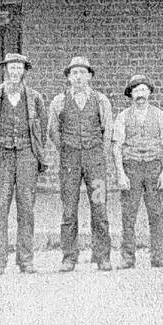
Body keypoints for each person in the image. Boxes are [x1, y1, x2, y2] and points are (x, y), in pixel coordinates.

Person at [0, 53, 50, 275]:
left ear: (24, 71)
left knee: (26, 209)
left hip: (26, 157)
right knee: (0, 208)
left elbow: (42, 125)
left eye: (19, 68)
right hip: (1, 156)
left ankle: (26, 260)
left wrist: (36, 152)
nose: (15, 72)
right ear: (6, 70)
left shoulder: (34, 98)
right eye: (11, 68)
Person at [47, 55, 114, 272]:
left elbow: (107, 131)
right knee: (68, 210)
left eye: (82, 73)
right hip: (70, 162)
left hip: (95, 163)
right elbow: (52, 131)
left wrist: (99, 156)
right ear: (68, 77)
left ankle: (102, 256)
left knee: (99, 207)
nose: (78, 77)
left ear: (90, 76)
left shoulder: (101, 100)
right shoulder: (59, 101)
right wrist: (66, 149)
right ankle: (69, 257)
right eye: (74, 73)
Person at [111, 73, 163, 269]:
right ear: (130, 94)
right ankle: (128, 257)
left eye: (144, 89)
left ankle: (158, 256)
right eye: (136, 90)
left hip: (153, 166)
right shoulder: (122, 117)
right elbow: (117, 147)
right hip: (132, 166)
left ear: (149, 93)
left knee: (156, 213)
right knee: (128, 213)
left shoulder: (160, 115)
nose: (140, 94)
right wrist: (121, 173)